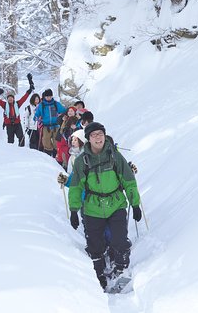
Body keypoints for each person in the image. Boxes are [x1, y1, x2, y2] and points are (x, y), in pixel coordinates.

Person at [68, 122, 142, 292]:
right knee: (95, 245)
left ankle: (121, 269)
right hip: (92, 208)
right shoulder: (82, 161)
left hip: (116, 204)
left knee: (119, 240)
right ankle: (99, 275)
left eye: (100, 134)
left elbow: (129, 181)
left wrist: (135, 204)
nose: (98, 137)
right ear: (88, 139)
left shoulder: (114, 156)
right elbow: (76, 187)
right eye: (94, 135)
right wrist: (74, 210)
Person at [33, 89, 66, 156]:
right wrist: (36, 118)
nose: (49, 98)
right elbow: (37, 114)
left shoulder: (56, 104)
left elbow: (64, 110)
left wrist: (62, 115)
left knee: (56, 141)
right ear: (44, 97)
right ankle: (48, 154)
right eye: (47, 96)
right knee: (46, 141)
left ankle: (56, 154)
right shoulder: (41, 105)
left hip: (56, 126)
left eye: (50, 96)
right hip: (46, 126)